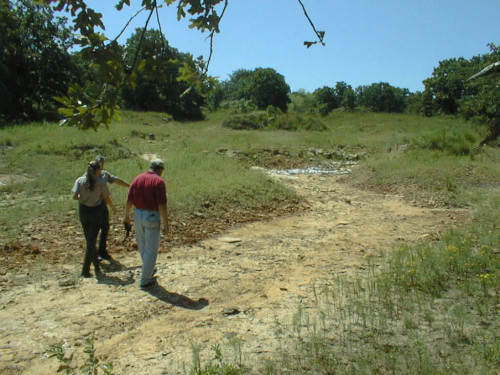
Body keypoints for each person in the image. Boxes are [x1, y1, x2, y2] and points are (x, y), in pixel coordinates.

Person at [124, 159, 169, 289]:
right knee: (151, 249)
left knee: (142, 245)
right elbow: (161, 205)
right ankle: (145, 279)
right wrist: (166, 223)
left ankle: (147, 270)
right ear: (160, 170)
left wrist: (126, 216)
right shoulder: (159, 182)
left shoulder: (137, 178)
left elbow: (129, 200)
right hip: (151, 216)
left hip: (137, 214)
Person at [72, 161, 117, 278]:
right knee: (91, 242)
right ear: (97, 171)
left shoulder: (79, 180)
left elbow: (74, 196)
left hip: (83, 212)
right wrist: (113, 207)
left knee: (90, 240)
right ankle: (85, 270)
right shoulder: (101, 183)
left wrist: (83, 200)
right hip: (96, 213)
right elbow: (106, 198)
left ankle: (96, 266)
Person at [95, 155, 130, 260]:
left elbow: (115, 180)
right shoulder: (88, 175)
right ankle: (93, 253)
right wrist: (113, 207)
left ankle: (101, 251)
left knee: (105, 228)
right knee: (94, 230)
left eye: (102, 163)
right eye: (99, 163)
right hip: (93, 206)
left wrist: (129, 185)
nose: (101, 166)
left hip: (102, 205)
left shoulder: (105, 175)